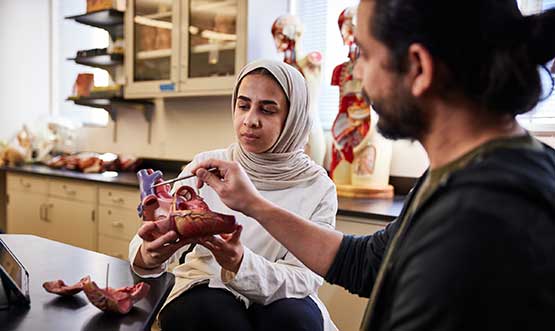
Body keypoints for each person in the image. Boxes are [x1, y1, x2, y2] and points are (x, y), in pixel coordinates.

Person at [191, 1, 555, 330]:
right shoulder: (462, 172)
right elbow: (367, 263)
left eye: (364, 54)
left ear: (418, 68)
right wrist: (253, 203)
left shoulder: (481, 217)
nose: (358, 75)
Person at [128, 59, 338, 331]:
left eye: (267, 109)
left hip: (284, 296)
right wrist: (149, 253)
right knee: (207, 314)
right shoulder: (207, 164)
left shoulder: (318, 187)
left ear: (293, 117)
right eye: (243, 105)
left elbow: (305, 278)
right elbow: (147, 246)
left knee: (294, 320)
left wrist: (241, 264)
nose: (250, 120)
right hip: (205, 285)